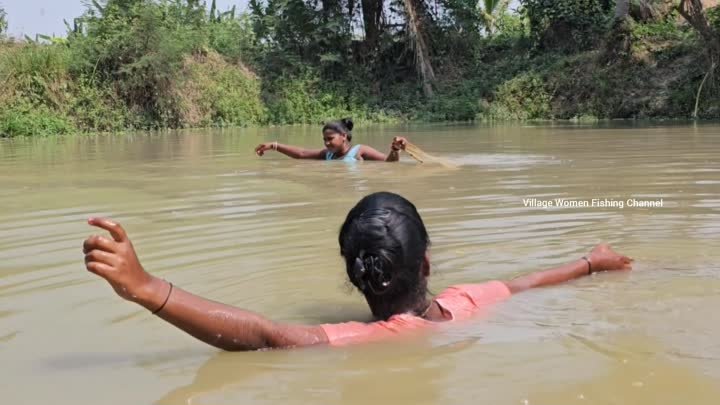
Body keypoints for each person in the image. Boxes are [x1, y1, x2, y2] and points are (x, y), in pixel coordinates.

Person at [82, 192, 633, 351]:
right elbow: (530, 281)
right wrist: (591, 262)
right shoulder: (471, 300)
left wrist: (150, 290)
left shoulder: (366, 339)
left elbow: (267, 335)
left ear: (353, 273)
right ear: (426, 262)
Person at [254, 118, 408, 162]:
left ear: (344, 136)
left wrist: (394, 150)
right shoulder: (327, 154)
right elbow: (301, 154)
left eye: (330, 139)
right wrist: (274, 145)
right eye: (324, 140)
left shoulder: (359, 151)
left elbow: (389, 163)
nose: (327, 143)